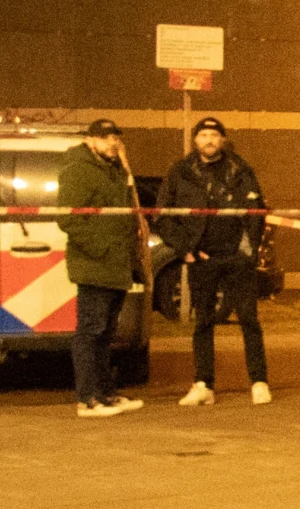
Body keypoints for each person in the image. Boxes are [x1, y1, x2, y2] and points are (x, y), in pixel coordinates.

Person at [157, 116, 273, 406]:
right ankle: (204, 384)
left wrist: (250, 249)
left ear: (222, 140)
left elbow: (257, 211)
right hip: (202, 258)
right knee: (203, 322)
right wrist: (185, 249)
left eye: (214, 135)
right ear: (195, 140)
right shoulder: (180, 172)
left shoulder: (241, 169)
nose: (209, 140)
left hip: (237, 257)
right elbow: (162, 215)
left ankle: (259, 382)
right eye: (203, 135)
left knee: (249, 319)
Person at [56, 118, 147, 419]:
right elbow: (69, 219)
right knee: (90, 332)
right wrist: (103, 248)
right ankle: (88, 399)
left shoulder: (115, 169)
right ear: (90, 140)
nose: (112, 143)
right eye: (106, 138)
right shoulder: (79, 170)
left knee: (106, 333)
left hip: (116, 265)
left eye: (116, 137)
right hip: (95, 264)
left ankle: (106, 394)